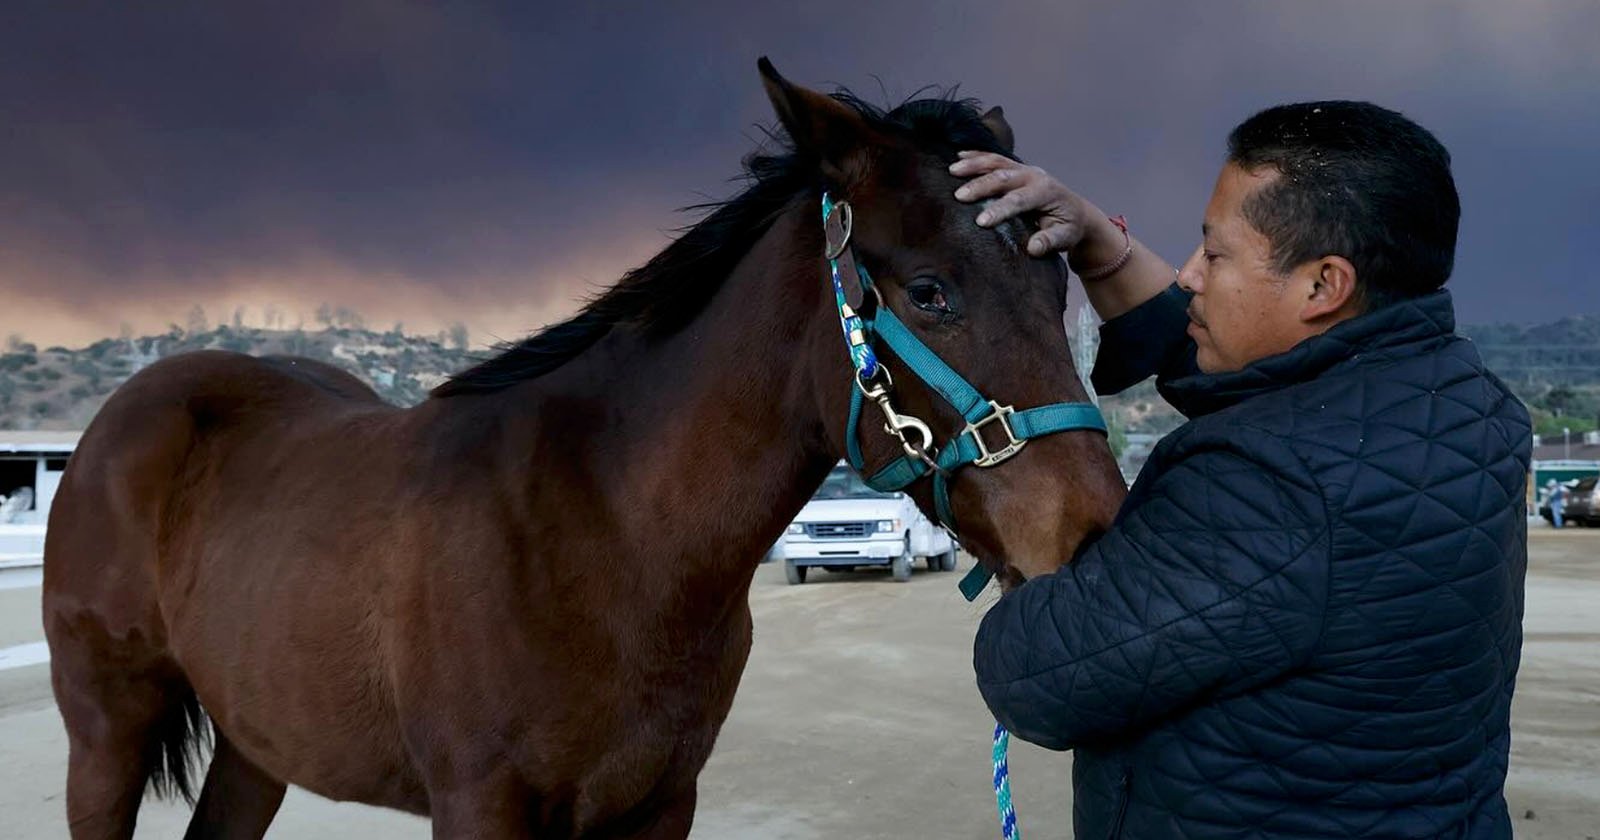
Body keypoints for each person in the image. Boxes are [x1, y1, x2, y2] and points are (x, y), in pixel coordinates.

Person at [953, 101, 1531, 838]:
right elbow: (1235, 372)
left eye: (1215, 254)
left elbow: (1035, 679)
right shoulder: (1467, 403)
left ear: (1324, 286)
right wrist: (1098, 238)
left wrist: (1029, 550)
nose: (1191, 275)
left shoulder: (1266, 483)